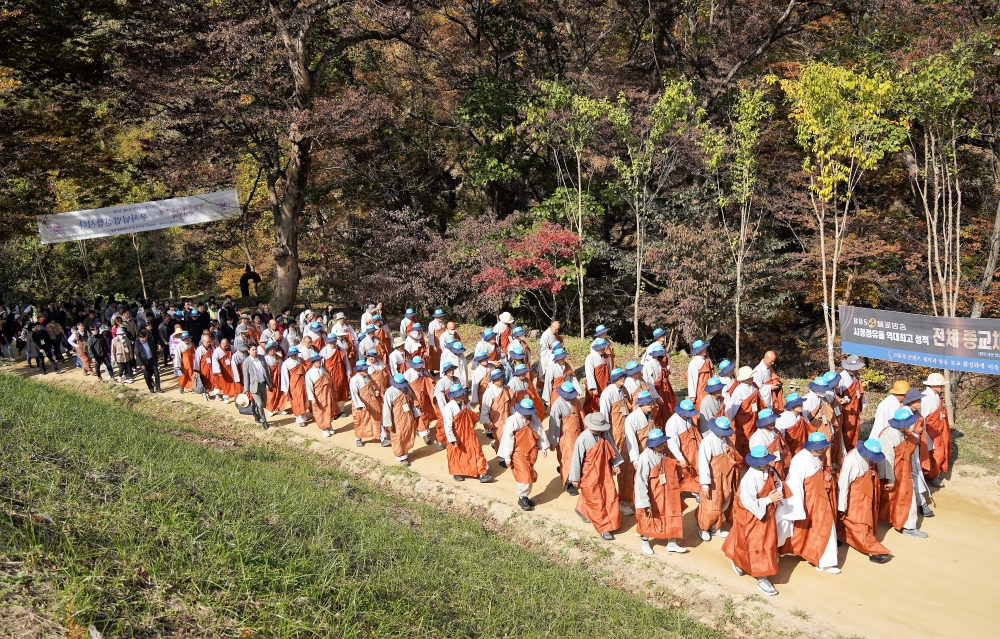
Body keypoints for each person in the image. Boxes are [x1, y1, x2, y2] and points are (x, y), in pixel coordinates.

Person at [722, 445, 788, 597]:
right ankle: (761, 578)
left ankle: (754, 570)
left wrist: (776, 493)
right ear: (757, 463)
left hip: (767, 514)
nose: (768, 463)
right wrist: (767, 499)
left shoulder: (770, 471)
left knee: (766, 543)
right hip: (752, 515)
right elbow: (748, 502)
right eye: (765, 461)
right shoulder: (749, 479)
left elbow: (778, 484)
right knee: (754, 544)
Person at [777, 432, 840, 574]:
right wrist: (797, 507)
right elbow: (794, 484)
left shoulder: (816, 456)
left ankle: (824, 561)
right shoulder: (799, 460)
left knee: (824, 527)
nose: (824, 450)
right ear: (815, 448)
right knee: (800, 528)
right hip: (807, 499)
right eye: (822, 447)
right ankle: (782, 549)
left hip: (819, 498)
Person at [569, 412, 624, 541]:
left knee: (609, 495)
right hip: (589, 473)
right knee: (596, 499)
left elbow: (612, 448)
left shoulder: (605, 434)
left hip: (604, 470)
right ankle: (603, 527)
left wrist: (615, 464)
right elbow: (576, 459)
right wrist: (575, 478)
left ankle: (581, 510)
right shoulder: (582, 438)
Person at [877, 407, 929, 538]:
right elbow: (886, 459)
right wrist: (890, 478)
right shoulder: (888, 435)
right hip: (896, 471)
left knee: (904, 497)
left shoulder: (903, 432)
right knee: (905, 498)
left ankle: (905, 523)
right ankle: (909, 527)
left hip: (904, 469)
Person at [838, 439, 892, 563]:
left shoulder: (862, 457)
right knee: (859, 525)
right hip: (854, 499)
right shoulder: (851, 462)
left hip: (864, 496)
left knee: (857, 522)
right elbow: (843, 484)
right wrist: (842, 506)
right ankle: (873, 551)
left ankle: (843, 537)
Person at [634, 428, 687, 555]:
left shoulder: (663, 452)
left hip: (667, 492)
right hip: (652, 493)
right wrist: (645, 503)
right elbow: (641, 482)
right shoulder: (644, 458)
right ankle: (645, 541)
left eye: (664, 442)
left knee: (671, 515)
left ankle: (672, 542)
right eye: (661, 444)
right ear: (654, 445)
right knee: (648, 517)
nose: (664, 445)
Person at [497, 398, 550, 511]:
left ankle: (525, 496)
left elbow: (539, 431)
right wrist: (507, 456)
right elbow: (507, 439)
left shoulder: (533, 418)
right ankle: (521, 497)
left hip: (530, 451)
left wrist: (543, 446)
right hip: (517, 452)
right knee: (524, 475)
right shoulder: (512, 420)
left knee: (529, 474)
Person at [696, 416, 740, 542]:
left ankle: (716, 527)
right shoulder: (707, 442)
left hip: (725, 476)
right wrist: (705, 484)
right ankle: (703, 528)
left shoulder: (726, 439)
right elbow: (703, 463)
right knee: (710, 503)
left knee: (724, 500)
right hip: (713, 477)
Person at [599, 367, 633, 514]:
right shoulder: (607, 393)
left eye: (623, 377)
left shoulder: (624, 390)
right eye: (620, 378)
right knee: (615, 464)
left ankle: (624, 498)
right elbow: (604, 415)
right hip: (614, 433)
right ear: (614, 379)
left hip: (626, 431)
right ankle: (613, 499)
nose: (623, 379)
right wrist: (606, 435)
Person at [442, 383, 492, 483]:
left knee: (476, 450)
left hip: (469, 432)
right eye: (460, 395)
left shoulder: (466, 403)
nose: (462, 396)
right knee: (457, 454)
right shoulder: (449, 407)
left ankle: (482, 473)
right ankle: (456, 472)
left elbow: (470, 416)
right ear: (455, 396)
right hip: (456, 434)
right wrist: (452, 439)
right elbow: (447, 425)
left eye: (462, 394)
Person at [548, 381, 586, 496]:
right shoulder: (557, 406)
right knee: (568, 458)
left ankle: (573, 474)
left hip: (577, 433)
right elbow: (553, 425)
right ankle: (569, 483)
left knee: (579, 456)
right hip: (565, 436)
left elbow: (581, 414)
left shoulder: (575, 401)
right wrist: (553, 441)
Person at [920, 372, 950, 485]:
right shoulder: (925, 398)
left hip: (938, 429)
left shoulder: (937, 396)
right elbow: (922, 417)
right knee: (934, 453)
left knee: (939, 452)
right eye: (940, 385)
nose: (942, 387)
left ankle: (933, 474)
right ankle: (929, 476)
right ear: (933, 385)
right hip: (930, 430)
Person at [727, 366, 761, 459]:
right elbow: (732, 407)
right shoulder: (739, 390)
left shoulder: (754, 386)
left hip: (754, 417)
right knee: (744, 439)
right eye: (750, 376)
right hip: (744, 420)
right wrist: (729, 421)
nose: (752, 377)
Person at [748, 408, 791, 479]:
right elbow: (758, 459)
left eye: (773, 420)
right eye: (770, 421)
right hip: (767, 469)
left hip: (778, 464)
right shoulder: (758, 438)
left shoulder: (775, 431)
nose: (773, 422)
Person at [349, 359, 384, 447]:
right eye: (364, 369)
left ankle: (383, 437)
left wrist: (376, 391)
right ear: (359, 371)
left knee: (377, 418)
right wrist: (360, 405)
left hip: (372, 401)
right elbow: (354, 394)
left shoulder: (368, 377)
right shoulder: (354, 380)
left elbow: (373, 386)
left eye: (366, 369)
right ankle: (358, 438)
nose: (366, 370)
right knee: (360, 421)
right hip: (361, 403)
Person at [836, 355, 866, 450]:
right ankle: (846, 449)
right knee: (848, 430)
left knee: (856, 428)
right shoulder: (841, 377)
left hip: (856, 406)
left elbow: (861, 392)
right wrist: (840, 400)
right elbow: (836, 394)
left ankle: (854, 447)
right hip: (846, 409)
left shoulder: (857, 376)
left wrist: (863, 404)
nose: (857, 370)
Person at [242, 343, 274, 427]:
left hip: (262, 384)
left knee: (263, 403)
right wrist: (246, 389)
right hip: (254, 386)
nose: (255, 351)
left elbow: (266, 371)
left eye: (255, 349)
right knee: (259, 404)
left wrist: (269, 382)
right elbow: (246, 377)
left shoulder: (261, 358)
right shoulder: (246, 362)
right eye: (253, 350)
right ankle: (264, 421)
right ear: (248, 351)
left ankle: (255, 411)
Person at [478, 368, 512, 445]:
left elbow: (511, 405)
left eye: (501, 377)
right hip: (496, 421)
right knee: (500, 439)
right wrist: (487, 422)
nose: (500, 380)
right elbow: (485, 409)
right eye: (497, 379)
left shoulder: (506, 388)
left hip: (507, 418)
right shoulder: (489, 392)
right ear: (493, 380)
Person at [645, 343, 676, 426]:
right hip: (654, 393)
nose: (662, 356)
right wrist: (656, 397)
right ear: (655, 355)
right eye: (660, 354)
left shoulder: (661, 363)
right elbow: (649, 384)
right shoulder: (649, 365)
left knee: (666, 412)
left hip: (663, 391)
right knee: (656, 414)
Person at [304, 354, 335, 436]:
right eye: (317, 361)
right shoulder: (309, 373)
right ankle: (323, 428)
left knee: (329, 409)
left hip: (327, 392)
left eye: (319, 360)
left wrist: (333, 390)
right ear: (313, 362)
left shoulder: (324, 370)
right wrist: (312, 398)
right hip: (318, 394)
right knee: (320, 410)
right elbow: (309, 386)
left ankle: (329, 425)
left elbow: (330, 380)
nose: (319, 362)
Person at [280, 346, 310, 424]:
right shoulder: (286, 364)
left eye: (296, 354)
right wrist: (286, 389)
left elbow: (306, 371)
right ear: (290, 355)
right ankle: (299, 418)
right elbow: (284, 377)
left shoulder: (300, 360)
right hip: (293, 385)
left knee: (304, 400)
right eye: (294, 354)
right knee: (296, 401)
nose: (295, 356)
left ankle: (303, 416)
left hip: (302, 383)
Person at [584, 338, 612, 413]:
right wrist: (593, 388)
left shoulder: (607, 357)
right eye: (601, 347)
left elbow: (609, 370)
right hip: (595, 383)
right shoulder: (590, 358)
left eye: (604, 346)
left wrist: (611, 382)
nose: (604, 348)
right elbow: (589, 373)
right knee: (593, 402)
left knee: (604, 401)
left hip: (605, 382)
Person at [211, 338, 241, 403]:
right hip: (224, 371)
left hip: (232, 369)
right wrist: (218, 371)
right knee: (225, 384)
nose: (226, 347)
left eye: (227, 346)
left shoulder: (232, 348)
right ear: (221, 344)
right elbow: (215, 362)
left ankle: (235, 395)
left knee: (234, 382)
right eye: (225, 346)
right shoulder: (217, 351)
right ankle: (225, 397)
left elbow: (237, 354)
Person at [263, 342, 288, 417]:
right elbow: (265, 371)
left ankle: (281, 408)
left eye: (273, 349)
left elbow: (282, 367)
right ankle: (270, 409)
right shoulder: (265, 359)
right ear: (267, 351)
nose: (272, 351)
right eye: (270, 350)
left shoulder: (278, 357)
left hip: (279, 378)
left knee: (281, 393)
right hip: (271, 379)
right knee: (271, 395)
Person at [685, 340, 712, 408]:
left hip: (708, 387)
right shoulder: (694, 362)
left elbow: (712, 372)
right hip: (700, 389)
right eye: (702, 349)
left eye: (705, 348)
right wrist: (692, 396)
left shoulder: (707, 359)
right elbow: (692, 379)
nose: (705, 350)